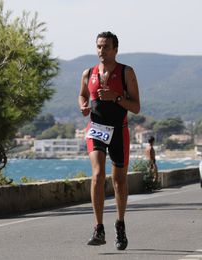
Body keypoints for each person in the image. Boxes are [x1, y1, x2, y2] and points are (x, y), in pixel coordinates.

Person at [78, 31, 140, 250]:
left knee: (119, 181)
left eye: (105, 47)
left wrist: (116, 98)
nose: (101, 51)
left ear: (115, 49)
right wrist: (83, 105)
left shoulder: (126, 72)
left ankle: (120, 224)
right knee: (97, 174)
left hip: (119, 131)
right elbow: (83, 94)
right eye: (98, 46)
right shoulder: (88, 73)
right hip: (96, 129)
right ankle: (98, 227)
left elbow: (136, 107)